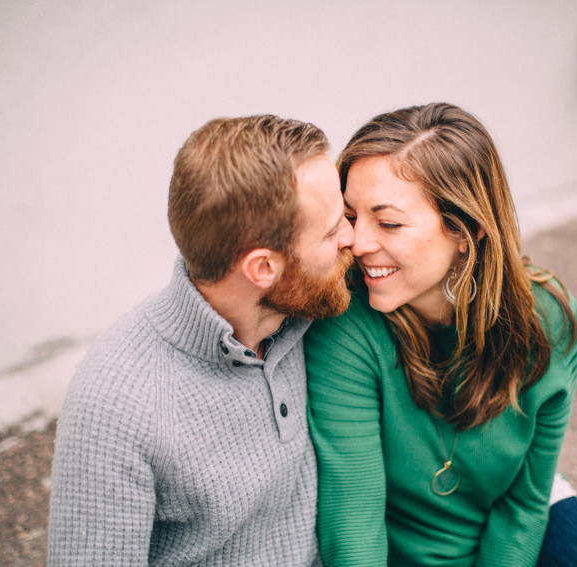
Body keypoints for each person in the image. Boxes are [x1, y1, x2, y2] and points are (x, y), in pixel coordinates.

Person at [304, 103, 577, 567]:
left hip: (510, 522)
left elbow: (524, 502)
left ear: (467, 229)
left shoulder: (549, 321)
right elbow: (354, 511)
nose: (358, 242)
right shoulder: (347, 319)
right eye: (350, 216)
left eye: (388, 222)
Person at [47, 114, 354, 566]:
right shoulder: (115, 405)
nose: (353, 237)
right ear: (263, 268)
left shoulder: (309, 310)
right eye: (332, 231)